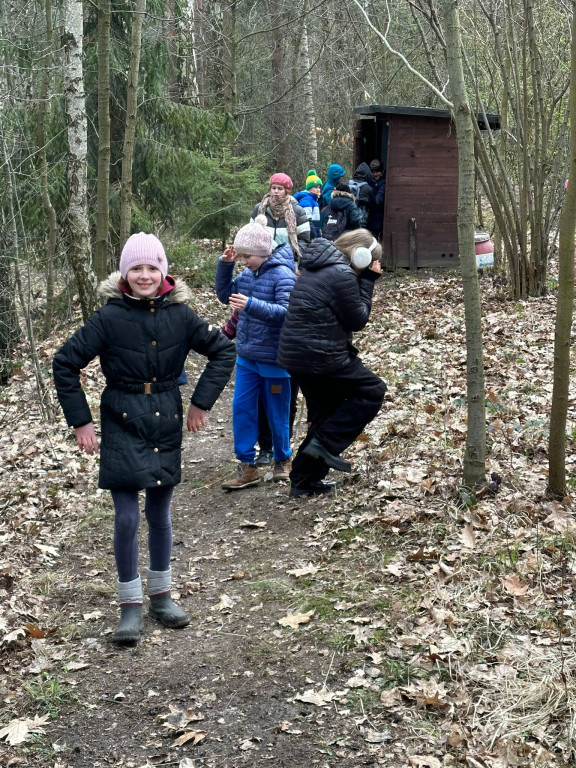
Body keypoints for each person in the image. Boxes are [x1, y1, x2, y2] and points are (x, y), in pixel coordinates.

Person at [52, 233, 236, 645]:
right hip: (121, 420)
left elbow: (224, 351)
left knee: (159, 514)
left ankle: (161, 595)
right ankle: (130, 604)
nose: (145, 275)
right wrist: (81, 422)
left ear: (163, 271)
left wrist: (200, 404)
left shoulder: (182, 315)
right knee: (126, 517)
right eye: (136, 268)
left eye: (152, 267)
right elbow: (65, 363)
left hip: (165, 421)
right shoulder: (108, 317)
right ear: (124, 272)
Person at [277, 229, 387, 498]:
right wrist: (369, 280)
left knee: (325, 412)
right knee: (373, 391)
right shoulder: (341, 274)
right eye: (370, 261)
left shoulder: (317, 266)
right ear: (360, 256)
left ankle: (304, 480)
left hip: (298, 356)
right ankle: (324, 444)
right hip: (321, 357)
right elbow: (358, 319)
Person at [216, 216, 297, 490]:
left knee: (277, 412)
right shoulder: (247, 274)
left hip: (274, 359)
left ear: (262, 253)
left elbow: (287, 315)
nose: (243, 261)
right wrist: (225, 266)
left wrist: (251, 304)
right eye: (240, 256)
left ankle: (282, 460)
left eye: (246, 256)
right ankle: (247, 465)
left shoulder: (283, 275)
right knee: (241, 409)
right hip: (247, 357)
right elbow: (224, 293)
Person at [250, 173, 310, 260]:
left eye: (280, 188)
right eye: (273, 188)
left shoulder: (298, 211)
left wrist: (290, 255)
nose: (276, 191)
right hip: (262, 261)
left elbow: (304, 240)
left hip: (287, 262)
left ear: (287, 191)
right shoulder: (260, 209)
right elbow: (250, 233)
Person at [294, 170, 323, 238]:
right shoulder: (306, 200)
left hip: (314, 230)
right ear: (309, 188)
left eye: (319, 187)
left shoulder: (314, 200)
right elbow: (307, 219)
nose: (318, 190)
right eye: (315, 187)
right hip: (310, 234)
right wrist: (315, 235)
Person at [349, 162, 376, 228]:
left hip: (347, 219)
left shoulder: (347, 184)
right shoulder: (368, 188)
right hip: (361, 220)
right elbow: (374, 206)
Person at [367, 159, 386, 240]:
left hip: (378, 215)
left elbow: (378, 199)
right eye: (373, 172)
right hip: (370, 216)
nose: (375, 174)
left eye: (377, 172)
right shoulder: (369, 182)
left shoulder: (383, 183)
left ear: (382, 172)